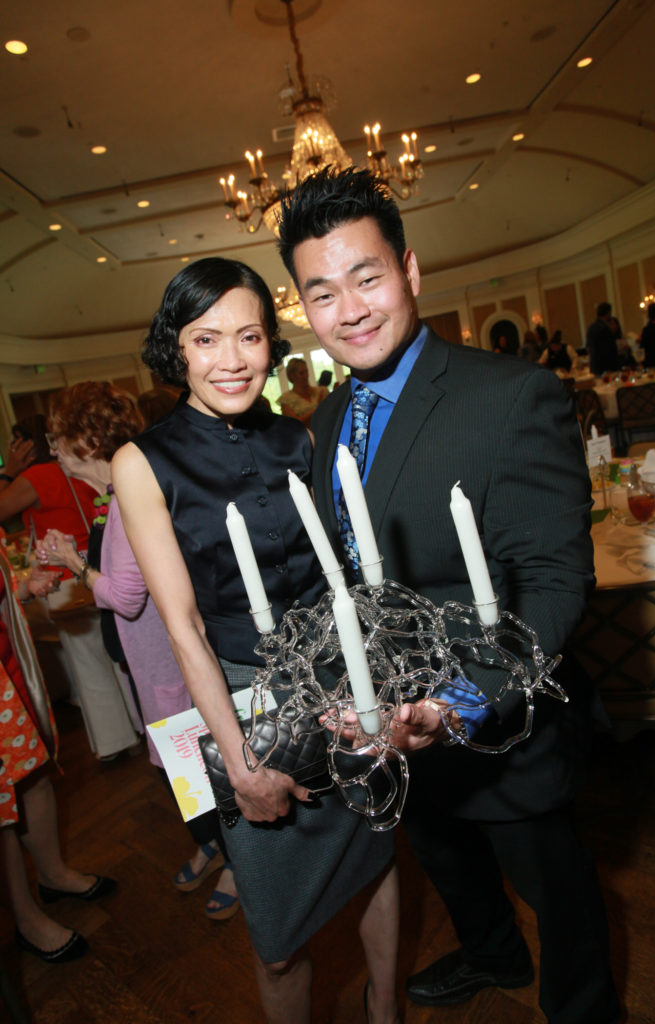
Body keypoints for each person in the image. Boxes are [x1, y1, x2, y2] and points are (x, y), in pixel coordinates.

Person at [277, 167, 619, 1024]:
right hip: (391, 727)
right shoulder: (326, 423)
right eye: (322, 293)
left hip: (499, 717)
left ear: (409, 271)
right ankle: (492, 954)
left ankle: (583, 1007)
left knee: (555, 886)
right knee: (446, 859)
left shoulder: (508, 396)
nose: (349, 310)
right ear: (303, 309)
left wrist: (460, 702)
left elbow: (553, 581)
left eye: (367, 278)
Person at [111, 257, 400, 1024]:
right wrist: (239, 762)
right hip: (243, 701)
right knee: (274, 941)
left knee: (372, 858)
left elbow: (344, 577)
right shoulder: (142, 462)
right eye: (206, 339)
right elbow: (182, 627)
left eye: (248, 336)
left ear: (272, 343)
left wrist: (372, 688)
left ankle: (385, 1006)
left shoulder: (297, 438)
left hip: (340, 684)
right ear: (176, 349)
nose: (231, 360)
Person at [35, 382, 237, 921]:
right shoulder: (113, 497)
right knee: (182, 772)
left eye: (58, 439)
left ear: (87, 441)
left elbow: (125, 597)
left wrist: (75, 564)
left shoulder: (126, 500)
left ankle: (238, 861)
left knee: (199, 769)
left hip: (165, 665)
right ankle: (212, 844)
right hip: (147, 663)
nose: (53, 451)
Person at [0, 536, 116, 963]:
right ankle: (25, 918)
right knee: (1, 808)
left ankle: (52, 874)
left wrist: (21, 588)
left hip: (9, 661)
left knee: (34, 774)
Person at [0, 414, 140, 760]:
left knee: (89, 666)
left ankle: (114, 743)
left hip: (65, 572)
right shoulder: (82, 467)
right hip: (100, 562)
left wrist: (8, 472)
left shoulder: (35, 477)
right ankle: (140, 727)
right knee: (119, 655)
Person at [277, 356, 329, 426]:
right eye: (301, 373)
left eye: (306, 371)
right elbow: (294, 424)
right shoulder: (286, 399)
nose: (306, 376)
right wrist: (318, 408)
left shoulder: (321, 391)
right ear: (292, 376)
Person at [586, 302, 620, 375]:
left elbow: (588, 347)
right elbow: (609, 349)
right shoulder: (604, 328)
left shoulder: (591, 327)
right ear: (608, 313)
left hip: (595, 365)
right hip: (606, 366)